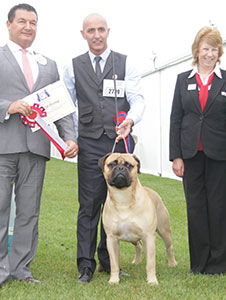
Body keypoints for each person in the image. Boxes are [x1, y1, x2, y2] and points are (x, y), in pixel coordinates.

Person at [0, 3, 78, 287]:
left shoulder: (49, 64)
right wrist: (9, 106)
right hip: (3, 147)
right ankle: (0, 270)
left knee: (29, 211)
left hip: (36, 149)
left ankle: (22, 269)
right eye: (22, 21)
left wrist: (69, 137)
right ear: (8, 25)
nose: (28, 27)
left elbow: (61, 107)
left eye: (33, 22)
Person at [63, 13, 145, 284]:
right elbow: (67, 106)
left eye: (100, 30)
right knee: (89, 205)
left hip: (119, 143)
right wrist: (71, 137)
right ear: (83, 34)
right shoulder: (72, 66)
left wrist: (130, 120)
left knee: (116, 204)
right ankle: (85, 265)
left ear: (108, 31)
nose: (96, 35)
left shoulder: (125, 62)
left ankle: (109, 262)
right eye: (90, 30)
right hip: (88, 143)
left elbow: (137, 99)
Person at [169, 27, 226, 275]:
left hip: (220, 155)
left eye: (214, 49)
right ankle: (198, 263)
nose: (209, 54)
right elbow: (176, 118)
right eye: (205, 48)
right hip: (190, 155)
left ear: (219, 52)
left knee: (220, 208)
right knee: (196, 209)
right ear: (196, 50)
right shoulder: (182, 79)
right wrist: (176, 155)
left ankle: (219, 265)